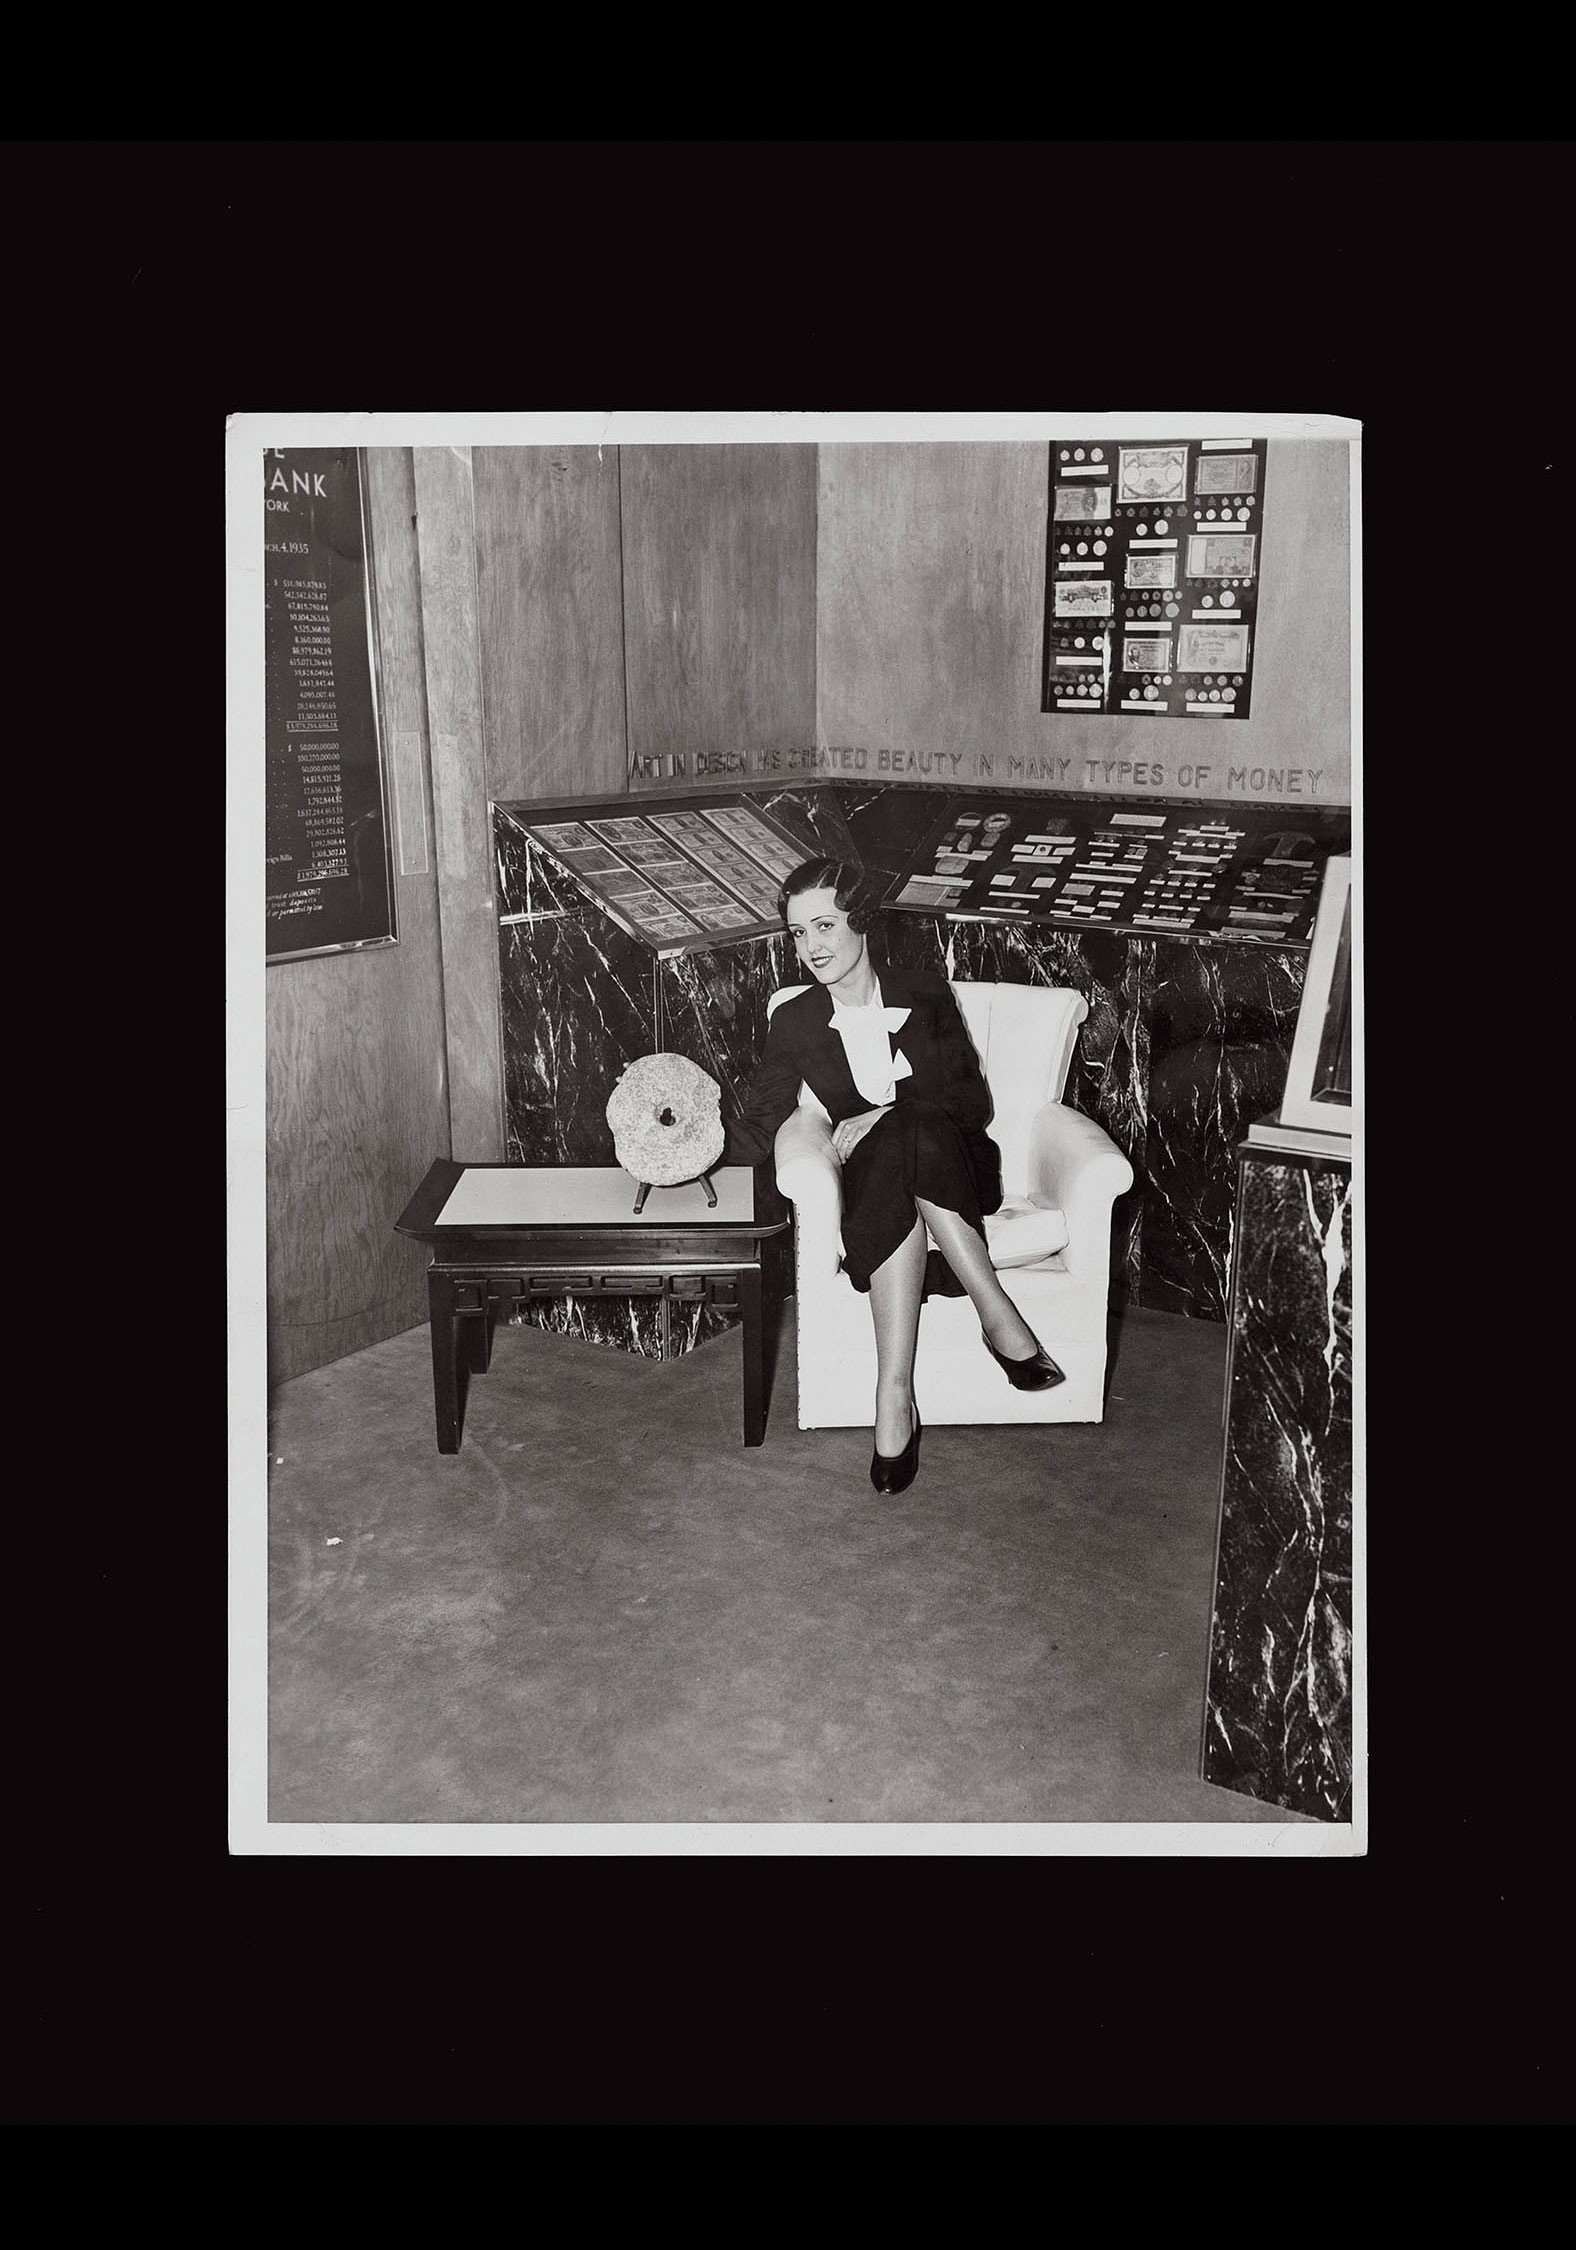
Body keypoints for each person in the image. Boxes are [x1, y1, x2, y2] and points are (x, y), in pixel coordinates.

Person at [723, 858, 1063, 1495]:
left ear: (862, 923)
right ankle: (962, 1345)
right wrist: (688, 1145)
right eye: (798, 934)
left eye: (824, 926)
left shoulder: (925, 990)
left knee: (908, 1130)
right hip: (878, 1186)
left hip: (955, 1166)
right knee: (889, 1156)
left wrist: (884, 1112)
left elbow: (970, 1106)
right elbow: (763, 1122)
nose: (812, 947)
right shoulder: (794, 1021)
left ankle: (899, 1392)